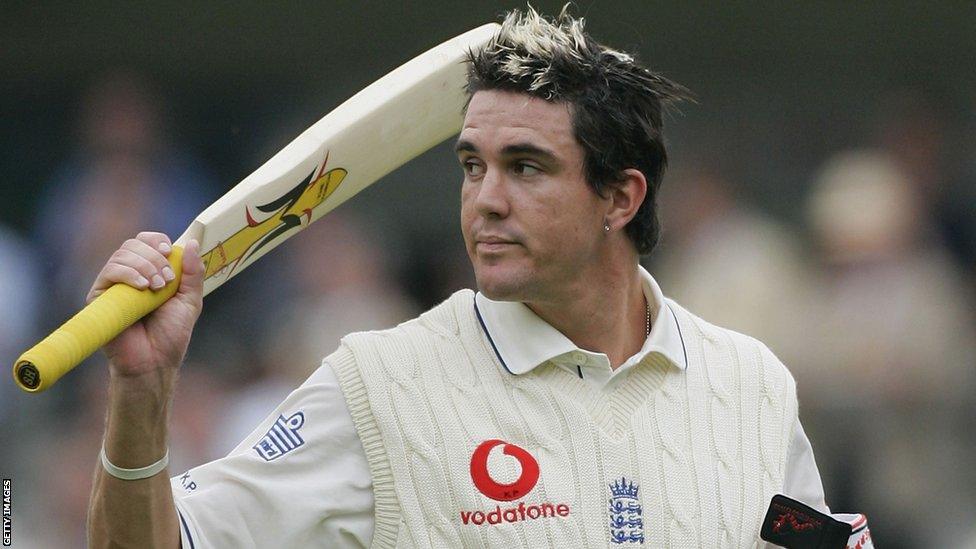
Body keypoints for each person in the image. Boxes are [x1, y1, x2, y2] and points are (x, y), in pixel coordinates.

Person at [87, 9, 869, 548]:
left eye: (525, 167)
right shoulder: (378, 384)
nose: (485, 200)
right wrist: (142, 395)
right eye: (472, 165)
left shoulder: (753, 383)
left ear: (621, 197)